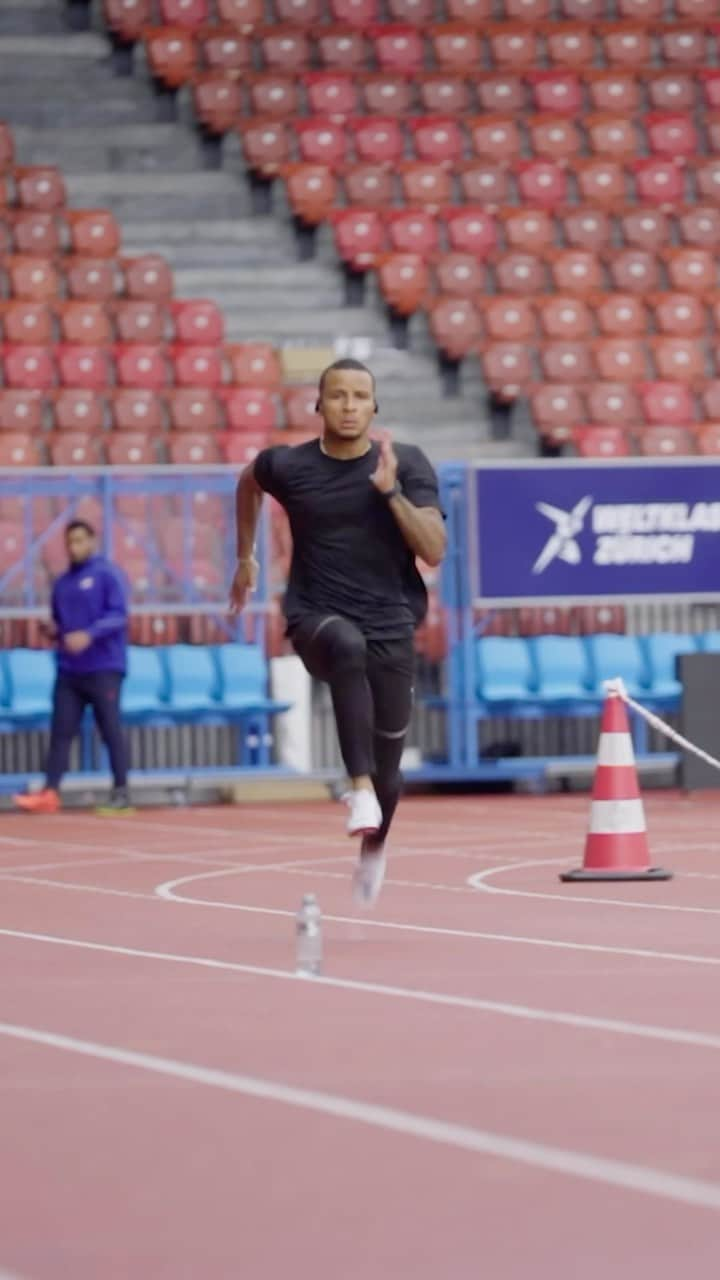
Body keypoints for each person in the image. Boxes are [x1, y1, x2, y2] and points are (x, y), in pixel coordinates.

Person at [229, 358, 446, 906]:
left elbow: (434, 549)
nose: (349, 406)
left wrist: (391, 493)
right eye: (338, 396)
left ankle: (374, 843)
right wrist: (245, 556)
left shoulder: (408, 463)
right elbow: (247, 483)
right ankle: (356, 788)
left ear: (375, 408)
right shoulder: (289, 466)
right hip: (315, 615)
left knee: (391, 764)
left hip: (391, 620)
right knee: (346, 646)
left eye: (359, 397)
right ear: (318, 406)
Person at [13, 519, 132, 815]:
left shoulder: (107, 575)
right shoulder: (62, 583)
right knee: (61, 731)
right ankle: (50, 792)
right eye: (69, 542)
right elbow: (61, 625)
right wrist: (52, 630)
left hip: (104, 668)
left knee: (110, 730)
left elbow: (119, 616)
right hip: (69, 670)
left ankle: (121, 792)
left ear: (91, 541)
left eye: (79, 540)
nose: (74, 547)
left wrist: (89, 634)